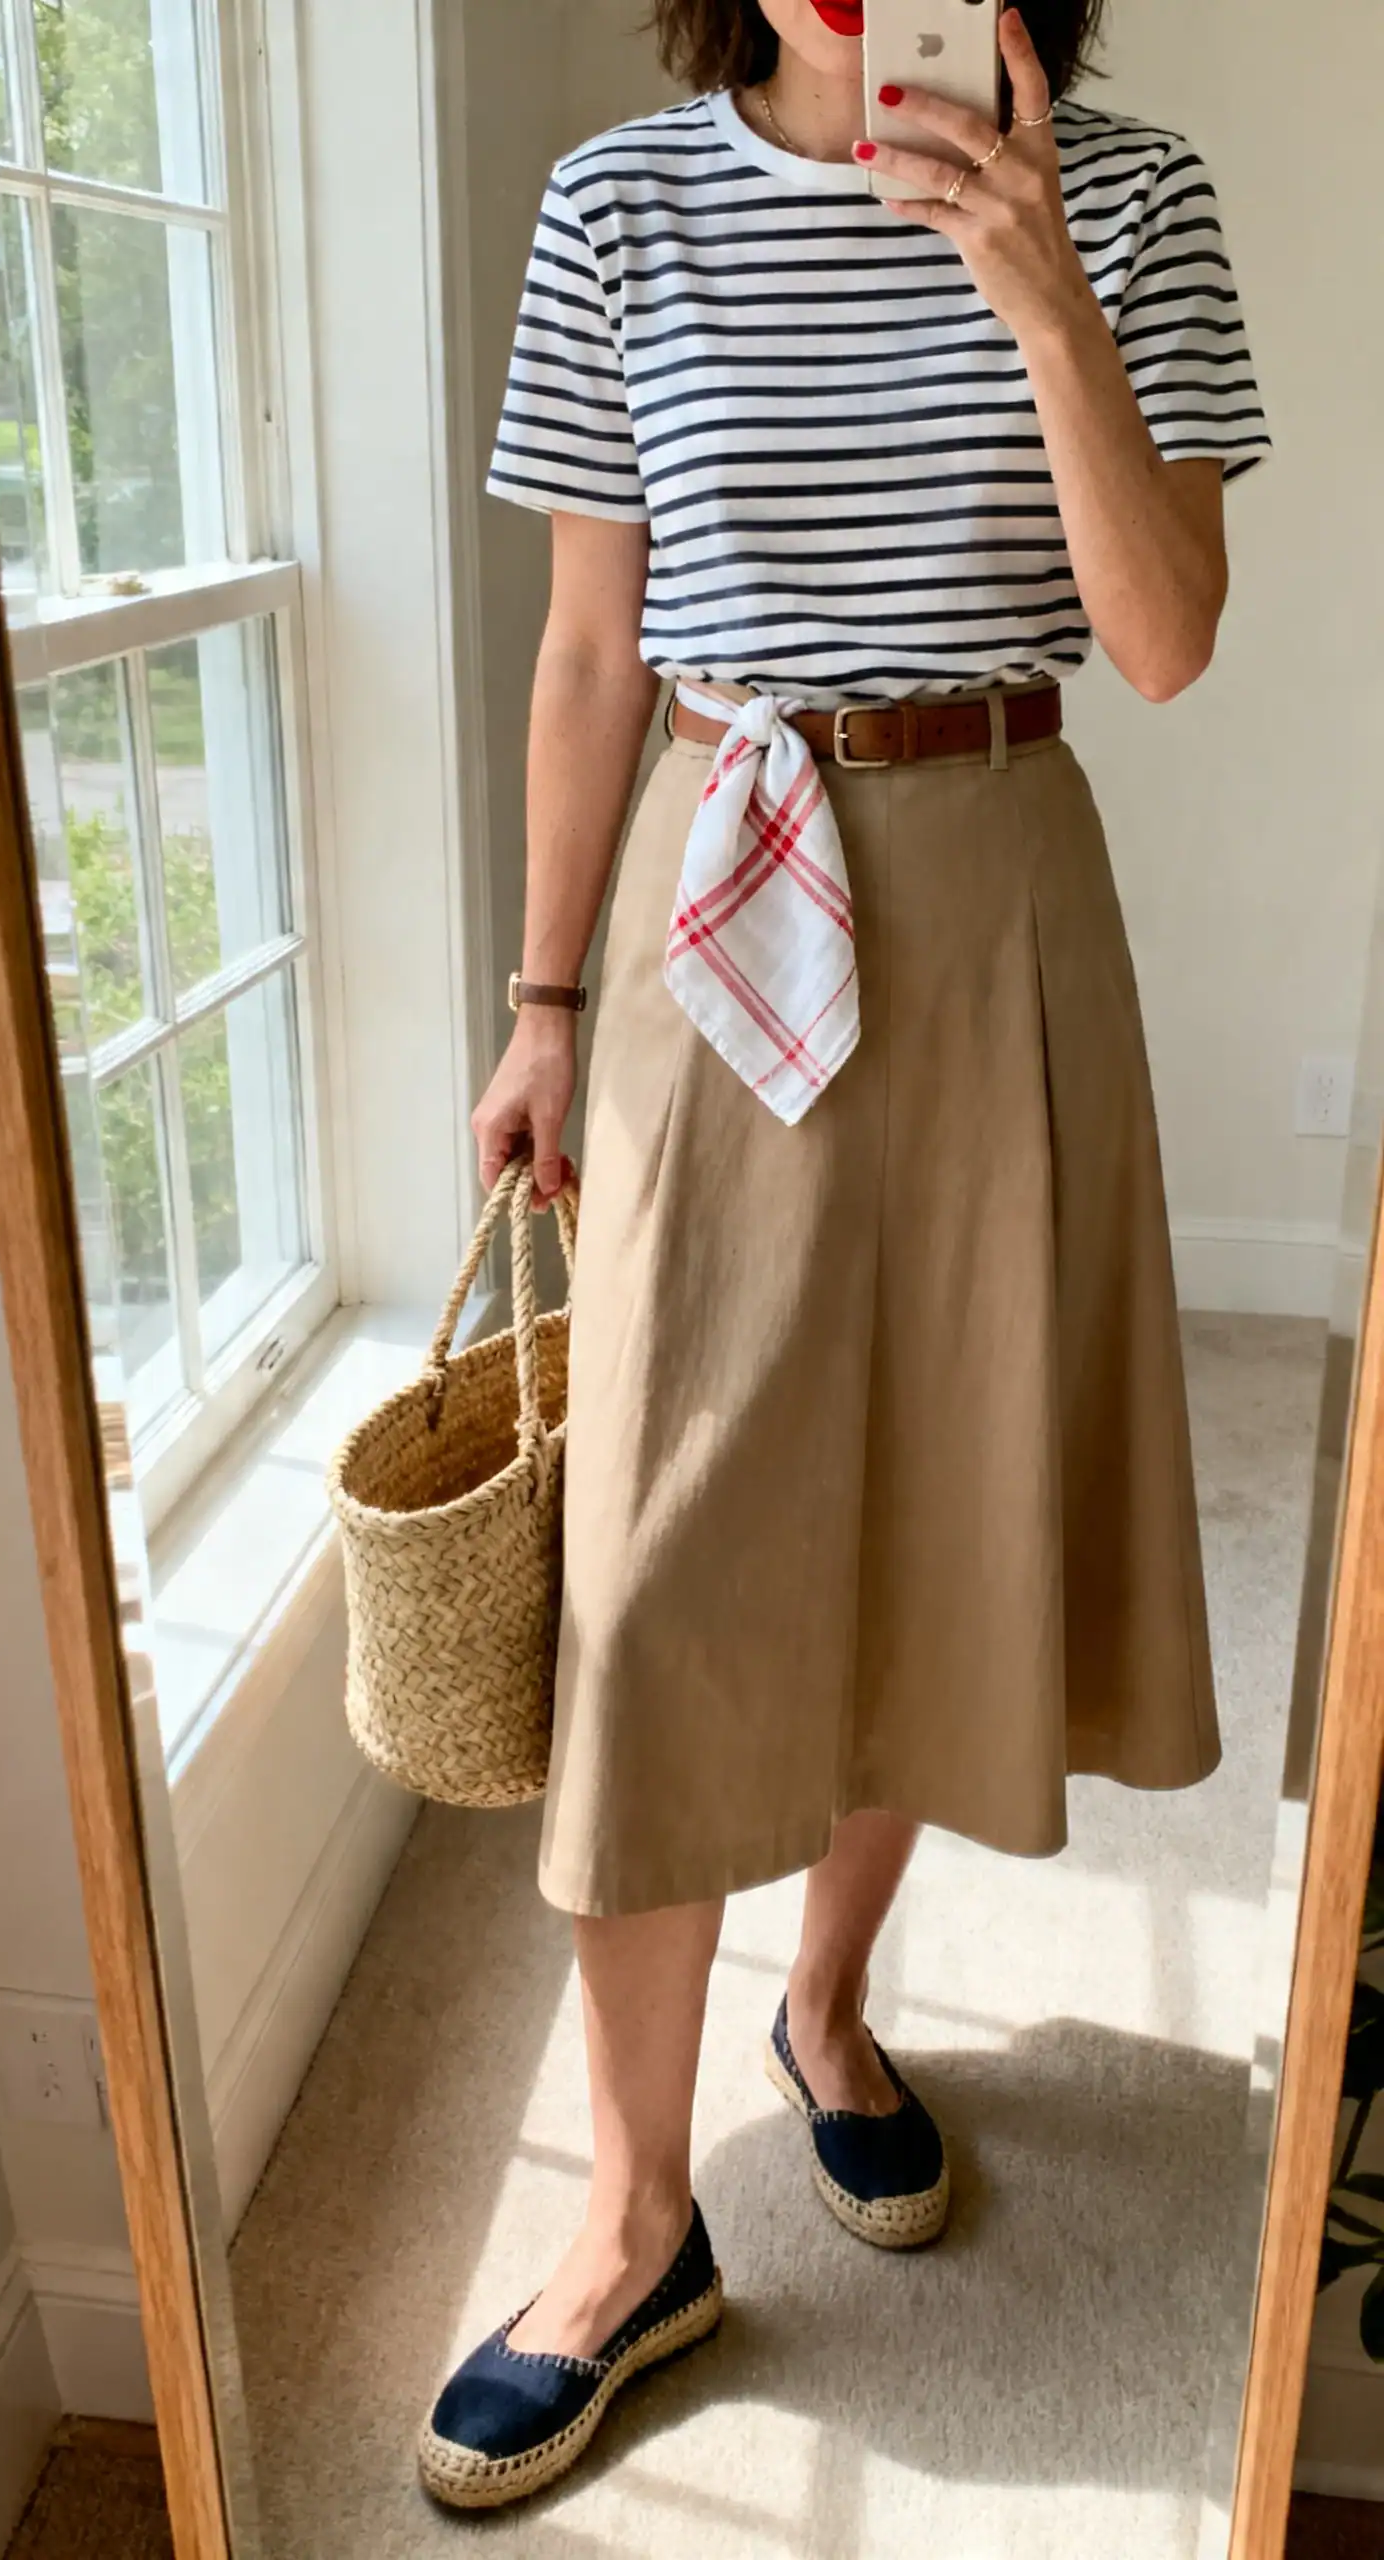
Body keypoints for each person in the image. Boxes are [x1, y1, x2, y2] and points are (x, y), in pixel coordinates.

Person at [418, 0, 1269, 2509]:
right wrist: (542, 995)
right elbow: (592, 645)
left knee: (939, 1507)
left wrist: (1039, 291)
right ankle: (637, 2217)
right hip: (716, 891)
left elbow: (1170, 631)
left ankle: (826, 1998)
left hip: (1003, 889)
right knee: (663, 1572)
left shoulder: (1132, 194)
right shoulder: (621, 205)